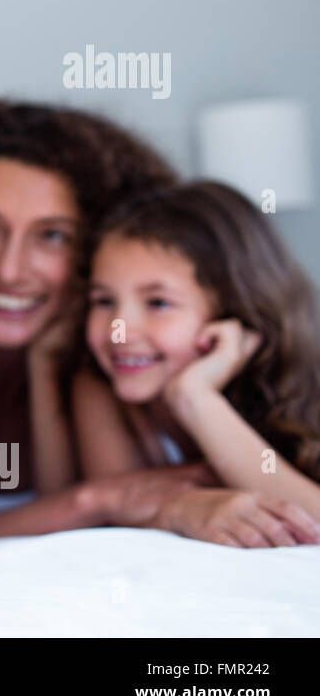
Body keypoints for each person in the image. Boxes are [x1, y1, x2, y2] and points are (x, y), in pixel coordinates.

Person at [0, 99, 231, 553]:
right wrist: (94, 501)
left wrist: (44, 366)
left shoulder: (124, 370)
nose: (10, 270)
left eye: (52, 236)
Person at [74, 181, 320, 545]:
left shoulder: (298, 385)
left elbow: (309, 525)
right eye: (104, 301)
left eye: (158, 303)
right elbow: (121, 525)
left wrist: (196, 398)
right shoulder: (98, 385)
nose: (118, 332)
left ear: (231, 311)